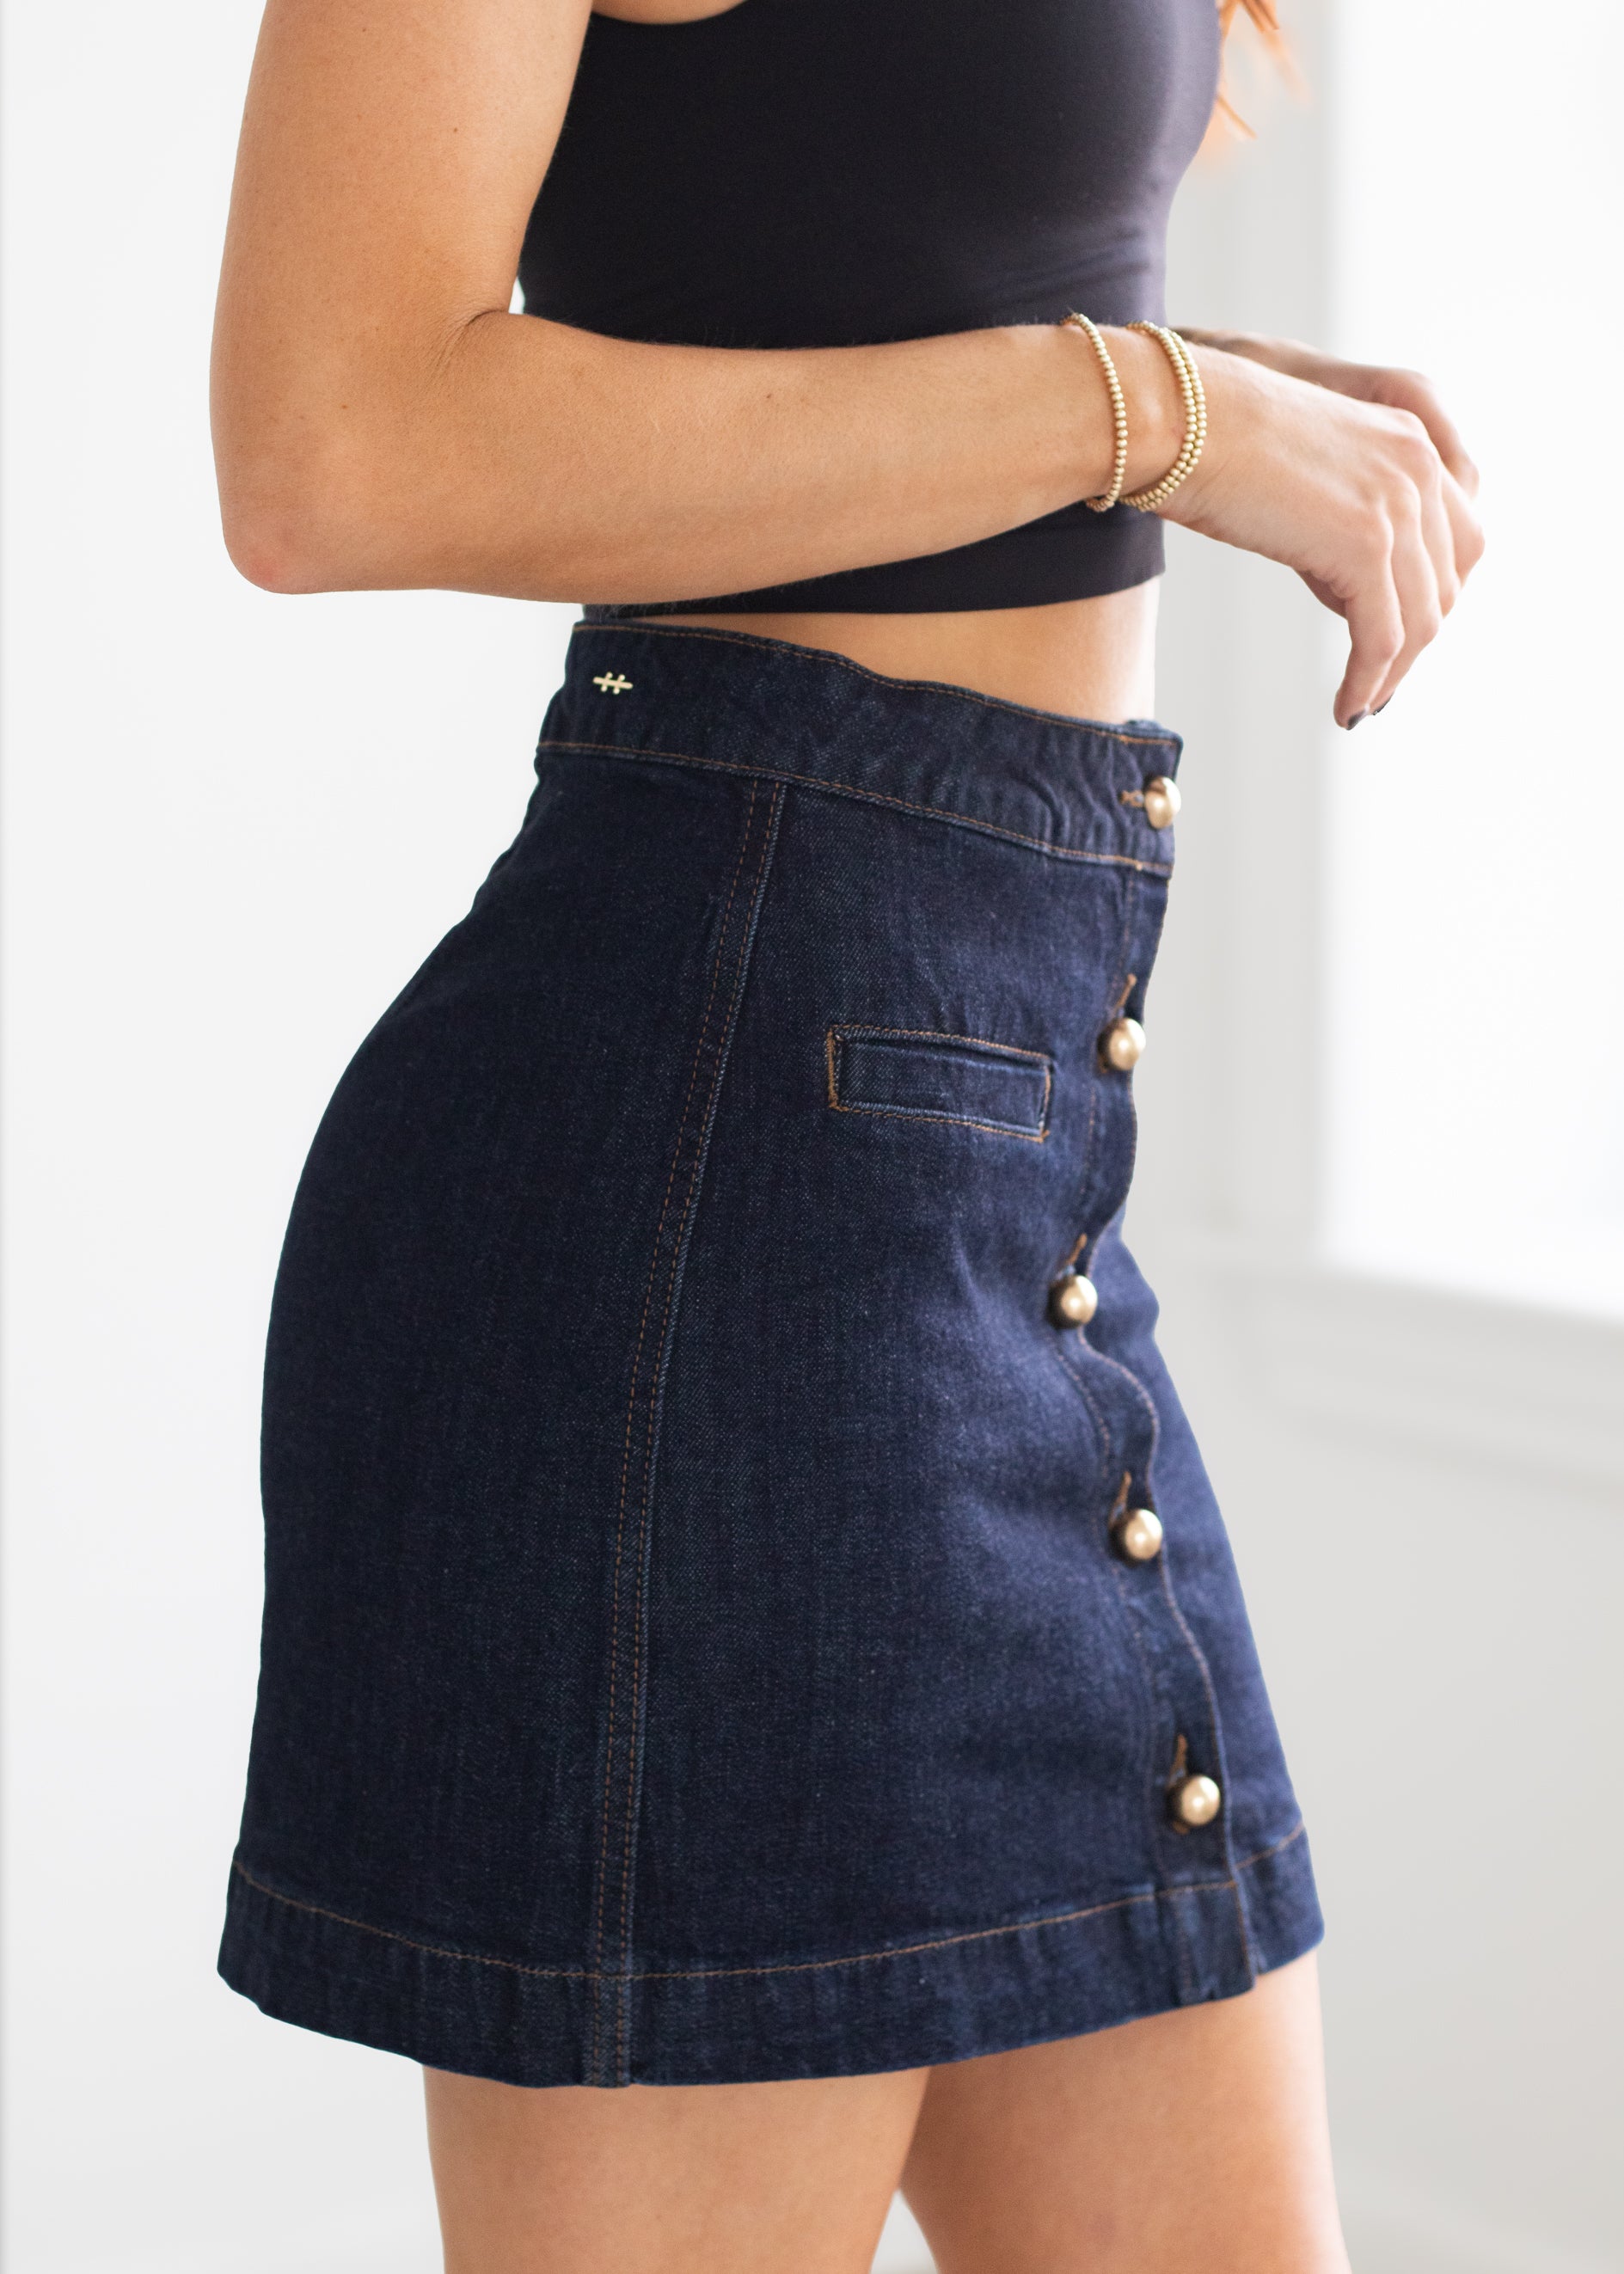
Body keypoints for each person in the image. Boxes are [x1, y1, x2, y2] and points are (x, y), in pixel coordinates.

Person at [209, 2, 1482, 2268]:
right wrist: (1149, 412)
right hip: (704, 1215)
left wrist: (1206, 404)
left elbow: (825, 232)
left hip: (1003, 1173)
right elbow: (334, 444)